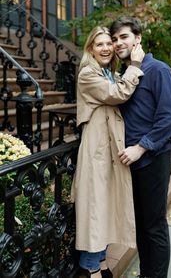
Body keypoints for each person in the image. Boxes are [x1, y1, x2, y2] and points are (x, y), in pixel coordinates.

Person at [71, 26, 144, 278]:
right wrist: (134, 65)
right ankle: (90, 268)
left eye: (108, 43)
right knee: (95, 208)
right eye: (99, 44)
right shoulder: (88, 74)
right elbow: (118, 94)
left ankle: (101, 265)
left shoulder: (108, 72)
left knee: (104, 207)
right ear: (90, 49)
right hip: (96, 151)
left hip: (109, 150)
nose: (105, 48)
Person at [110, 16, 171, 278]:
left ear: (138, 38)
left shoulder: (158, 70)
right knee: (140, 225)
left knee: (154, 225)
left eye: (124, 37)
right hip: (131, 161)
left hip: (152, 158)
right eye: (115, 39)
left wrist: (141, 147)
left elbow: (170, 117)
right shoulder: (128, 73)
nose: (118, 43)